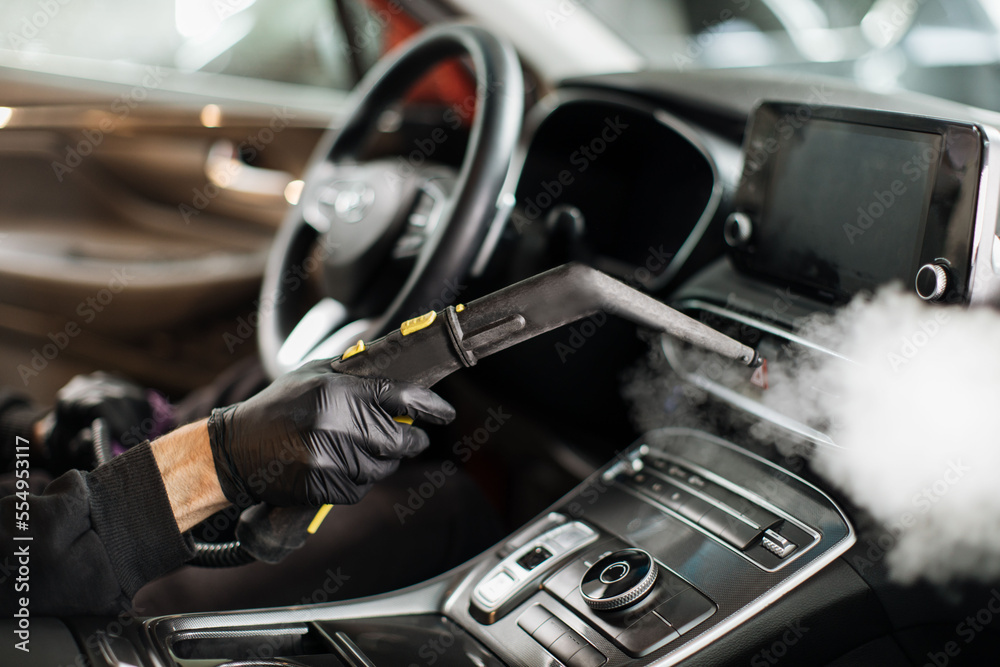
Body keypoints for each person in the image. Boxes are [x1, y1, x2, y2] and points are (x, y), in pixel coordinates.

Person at [0, 360, 461, 616]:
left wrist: (38, 432)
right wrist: (218, 458)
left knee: (281, 379)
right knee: (438, 507)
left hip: (45, 495)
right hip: (56, 582)